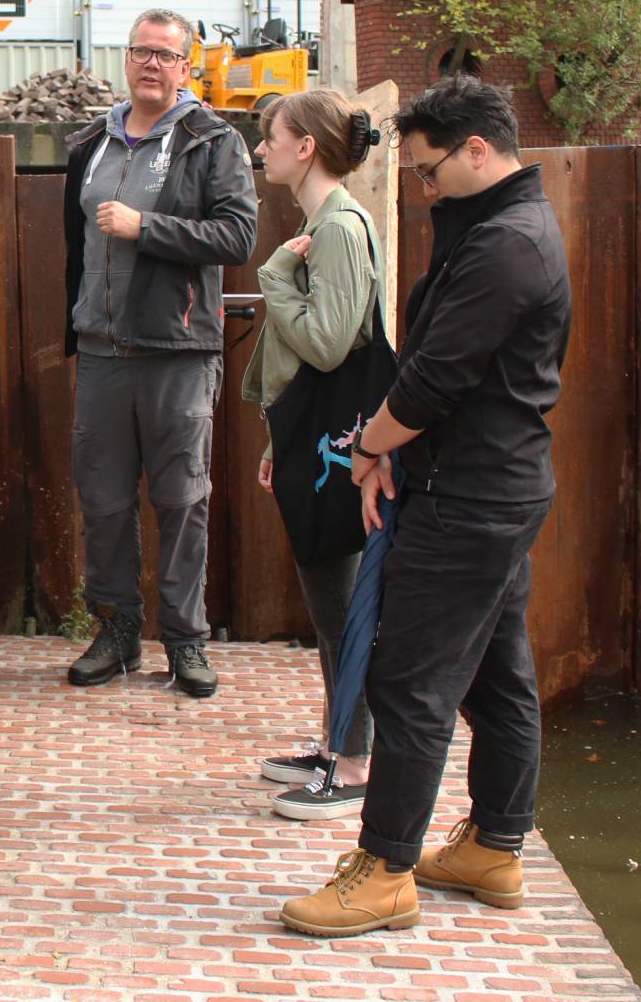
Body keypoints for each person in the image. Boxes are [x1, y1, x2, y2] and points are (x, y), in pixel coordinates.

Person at [280, 74, 572, 938]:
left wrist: (371, 448)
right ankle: (494, 841)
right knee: (497, 671)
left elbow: (438, 374)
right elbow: (429, 367)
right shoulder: (499, 227)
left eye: (431, 171)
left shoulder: (506, 245)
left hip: (472, 495)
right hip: (492, 486)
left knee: (408, 677)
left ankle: (387, 867)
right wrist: (384, 447)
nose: (424, 187)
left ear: (478, 149)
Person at [62, 8, 258, 698]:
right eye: (141, 51)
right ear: (127, 58)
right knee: (105, 502)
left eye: (165, 55)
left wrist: (147, 227)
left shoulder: (213, 141)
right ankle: (116, 635)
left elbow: (237, 237)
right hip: (102, 351)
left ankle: (185, 643)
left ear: (185, 66)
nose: (152, 63)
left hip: (177, 351)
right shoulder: (93, 141)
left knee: (182, 501)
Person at [242, 89, 384, 821]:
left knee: (341, 608)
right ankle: (337, 745)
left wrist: (272, 279)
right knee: (328, 602)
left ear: (306, 148)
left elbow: (327, 343)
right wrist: (276, 440)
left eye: (271, 136)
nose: (261, 148)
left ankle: (355, 763)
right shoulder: (321, 223)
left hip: (336, 449)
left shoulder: (338, 230)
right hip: (314, 440)